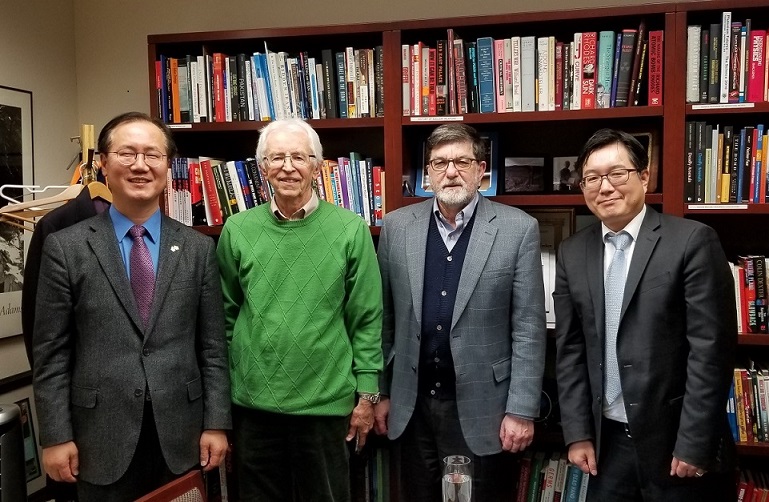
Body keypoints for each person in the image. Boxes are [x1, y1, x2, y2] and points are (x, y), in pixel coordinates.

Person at [32, 112, 231, 502]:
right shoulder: (66, 248)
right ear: (104, 164)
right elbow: (51, 353)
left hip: (182, 434)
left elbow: (213, 348)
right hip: (98, 437)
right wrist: (55, 436)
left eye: (152, 155)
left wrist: (217, 424)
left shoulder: (198, 248)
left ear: (167, 167)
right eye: (127, 153)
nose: (141, 165)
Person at [554, 128, 736, 501]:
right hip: (606, 444)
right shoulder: (572, 252)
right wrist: (577, 433)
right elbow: (570, 349)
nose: (605, 187)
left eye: (616, 173)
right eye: (592, 178)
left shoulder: (691, 241)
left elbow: (711, 352)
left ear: (644, 176)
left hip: (675, 443)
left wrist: (694, 442)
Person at [374, 123, 547, 501]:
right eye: (439, 163)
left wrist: (521, 410)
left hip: (483, 408)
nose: (450, 172)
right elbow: (384, 320)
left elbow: (529, 329)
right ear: (428, 172)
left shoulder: (518, 229)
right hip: (411, 406)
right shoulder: (397, 227)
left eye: (462, 162)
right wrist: (380, 393)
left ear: (481, 169)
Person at [216, 118, 383, 502]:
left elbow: (367, 318)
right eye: (277, 158)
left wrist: (367, 394)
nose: (288, 167)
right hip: (253, 407)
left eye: (299, 157)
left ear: (317, 166)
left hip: (326, 406)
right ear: (263, 168)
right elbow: (224, 317)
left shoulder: (350, 229)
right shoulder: (237, 229)